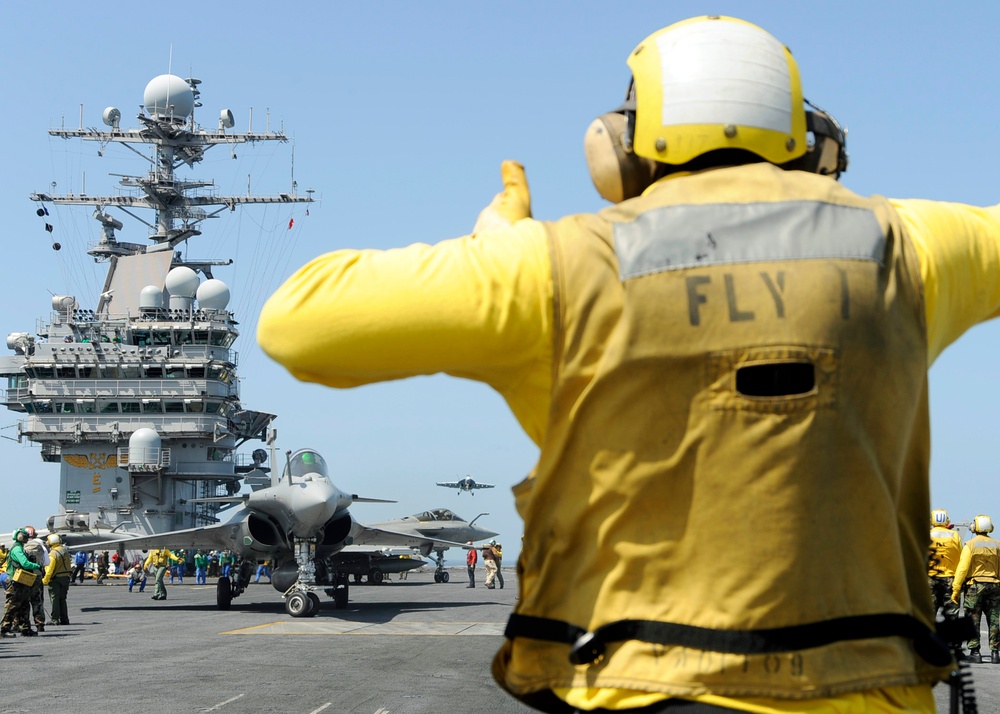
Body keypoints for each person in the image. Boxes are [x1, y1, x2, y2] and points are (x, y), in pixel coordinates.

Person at [256, 14, 1000, 712]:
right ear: (813, 145)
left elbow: (295, 323)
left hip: (642, 690)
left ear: (618, 148)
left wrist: (497, 247)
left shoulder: (561, 266)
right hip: (871, 693)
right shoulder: (909, 247)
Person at [952, 515, 1000, 664]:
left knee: (973, 619)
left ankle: (975, 652)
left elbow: (962, 569)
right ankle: (995, 653)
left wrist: (956, 588)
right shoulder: (997, 545)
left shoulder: (970, 545)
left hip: (975, 586)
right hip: (994, 585)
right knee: (994, 619)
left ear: (975, 527)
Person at [1, 529, 44, 636]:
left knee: (24, 604)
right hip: (15, 581)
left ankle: (25, 628)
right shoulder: (17, 549)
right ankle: (4, 628)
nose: (26, 537)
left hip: (21, 581)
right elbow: (25, 564)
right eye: (24, 535)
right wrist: (37, 566)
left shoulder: (20, 548)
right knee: (12, 605)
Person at [929, 508, 963, 618]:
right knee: (952, 617)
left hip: (930, 579)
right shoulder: (954, 536)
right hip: (949, 579)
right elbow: (961, 558)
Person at [22, 526, 50, 632]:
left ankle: (24, 625)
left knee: (24, 601)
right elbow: (47, 562)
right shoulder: (40, 546)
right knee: (37, 600)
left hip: (24, 576)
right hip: (37, 576)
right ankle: (39, 624)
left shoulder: (21, 547)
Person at [42, 533, 72, 626]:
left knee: (54, 599)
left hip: (55, 579)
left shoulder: (52, 554)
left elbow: (49, 570)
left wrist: (45, 580)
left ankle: (55, 619)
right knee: (62, 599)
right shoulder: (64, 550)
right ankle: (65, 619)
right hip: (66, 578)